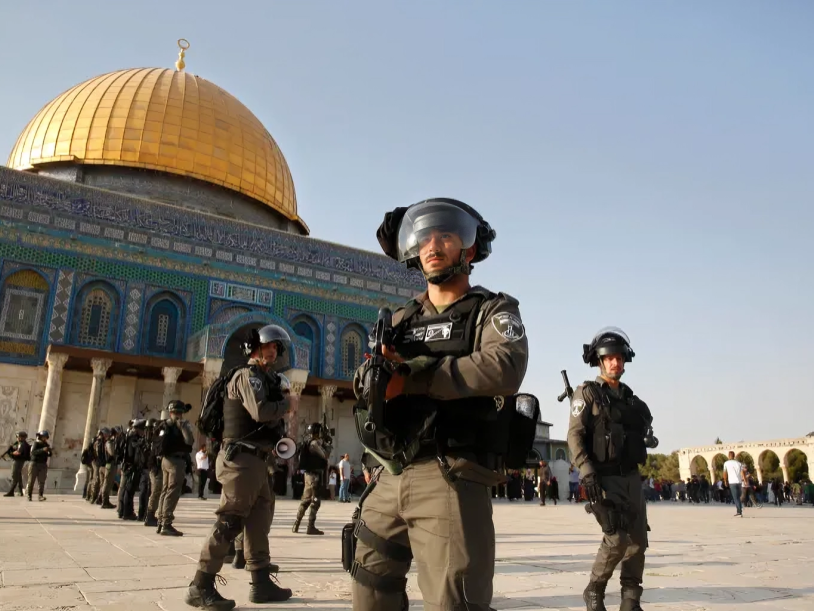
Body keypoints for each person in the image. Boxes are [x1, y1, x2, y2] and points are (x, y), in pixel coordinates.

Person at [350, 198, 529, 610]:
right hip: (388, 473)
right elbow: (367, 379)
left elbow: (504, 366)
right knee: (370, 587)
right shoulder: (400, 320)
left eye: (445, 236)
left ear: (467, 249)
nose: (432, 246)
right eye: (424, 238)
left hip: (449, 474)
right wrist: (373, 379)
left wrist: (415, 376)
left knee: (453, 599)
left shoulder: (491, 310)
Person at [185, 324, 294, 609]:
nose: (274, 351)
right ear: (255, 349)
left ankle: (260, 583)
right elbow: (260, 412)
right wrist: (287, 403)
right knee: (230, 520)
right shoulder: (247, 376)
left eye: (276, 347)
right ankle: (201, 584)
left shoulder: (265, 379)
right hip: (241, 461)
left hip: (257, 461)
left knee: (259, 522)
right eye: (270, 346)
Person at [567, 327, 654, 611]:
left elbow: (643, 426)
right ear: (600, 361)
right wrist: (586, 471)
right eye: (609, 359)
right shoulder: (587, 393)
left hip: (630, 477)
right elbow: (575, 436)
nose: (615, 363)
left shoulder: (630, 398)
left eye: (619, 358)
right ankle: (595, 588)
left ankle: (631, 600)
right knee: (616, 538)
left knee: (638, 542)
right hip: (603, 479)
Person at [156, 400, 195, 536]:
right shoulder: (180, 424)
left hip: (165, 460)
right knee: (173, 491)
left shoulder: (164, 424)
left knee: (165, 490)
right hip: (175, 461)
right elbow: (189, 441)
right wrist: (184, 427)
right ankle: (166, 523)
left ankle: (161, 521)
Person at [292, 423, 328, 535]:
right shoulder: (314, 444)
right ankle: (310, 526)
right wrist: (328, 445)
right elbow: (325, 455)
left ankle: (296, 525)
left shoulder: (307, 443)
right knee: (315, 501)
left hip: (308, 475)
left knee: (306, 500)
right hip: (314, 476)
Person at [27, 430, 52, 501]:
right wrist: (42, 450)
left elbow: (50, 454)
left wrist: (49, 451)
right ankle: (29, 495)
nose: (44, 438)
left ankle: (40, 495)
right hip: (34, 463)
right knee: (31, 480)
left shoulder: (46, 445)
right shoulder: (36, 443)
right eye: (43, 437)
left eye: (45, 437)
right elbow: (33, 452)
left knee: (42, 481)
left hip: (43, 464)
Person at [3, 431, 30, 497]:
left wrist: (11, 453)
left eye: (18, 437)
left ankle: (11, 492)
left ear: (21, 437)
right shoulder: (21, 443)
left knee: (14, 476)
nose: (17, 438)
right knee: (18, 475)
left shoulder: (23, 444)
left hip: (18, 461)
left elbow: (18, 453)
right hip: (19, 461)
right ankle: (20, 491)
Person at [722, 451, 745, 517]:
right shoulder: (739, 463)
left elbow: (724, 473)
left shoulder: (726, 463)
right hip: (739, 482)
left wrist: (725, 481)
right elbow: (742, 473)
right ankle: (739, 510)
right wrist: (743, 479)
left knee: (735, 498)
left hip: (732, 482)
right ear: (734, 456)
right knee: (738, 497)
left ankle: (739, 512)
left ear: (729, 456)